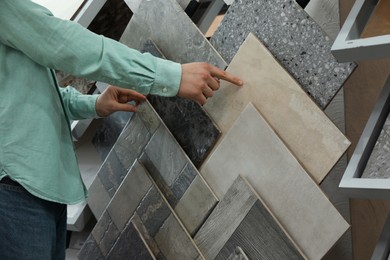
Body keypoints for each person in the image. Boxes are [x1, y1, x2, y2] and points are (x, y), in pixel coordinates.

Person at [0, 0, 242, 259]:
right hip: (14, 189)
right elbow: (65, 45)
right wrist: (170, 77)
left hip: (30, 187)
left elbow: (22, 92)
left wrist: (94, 104)